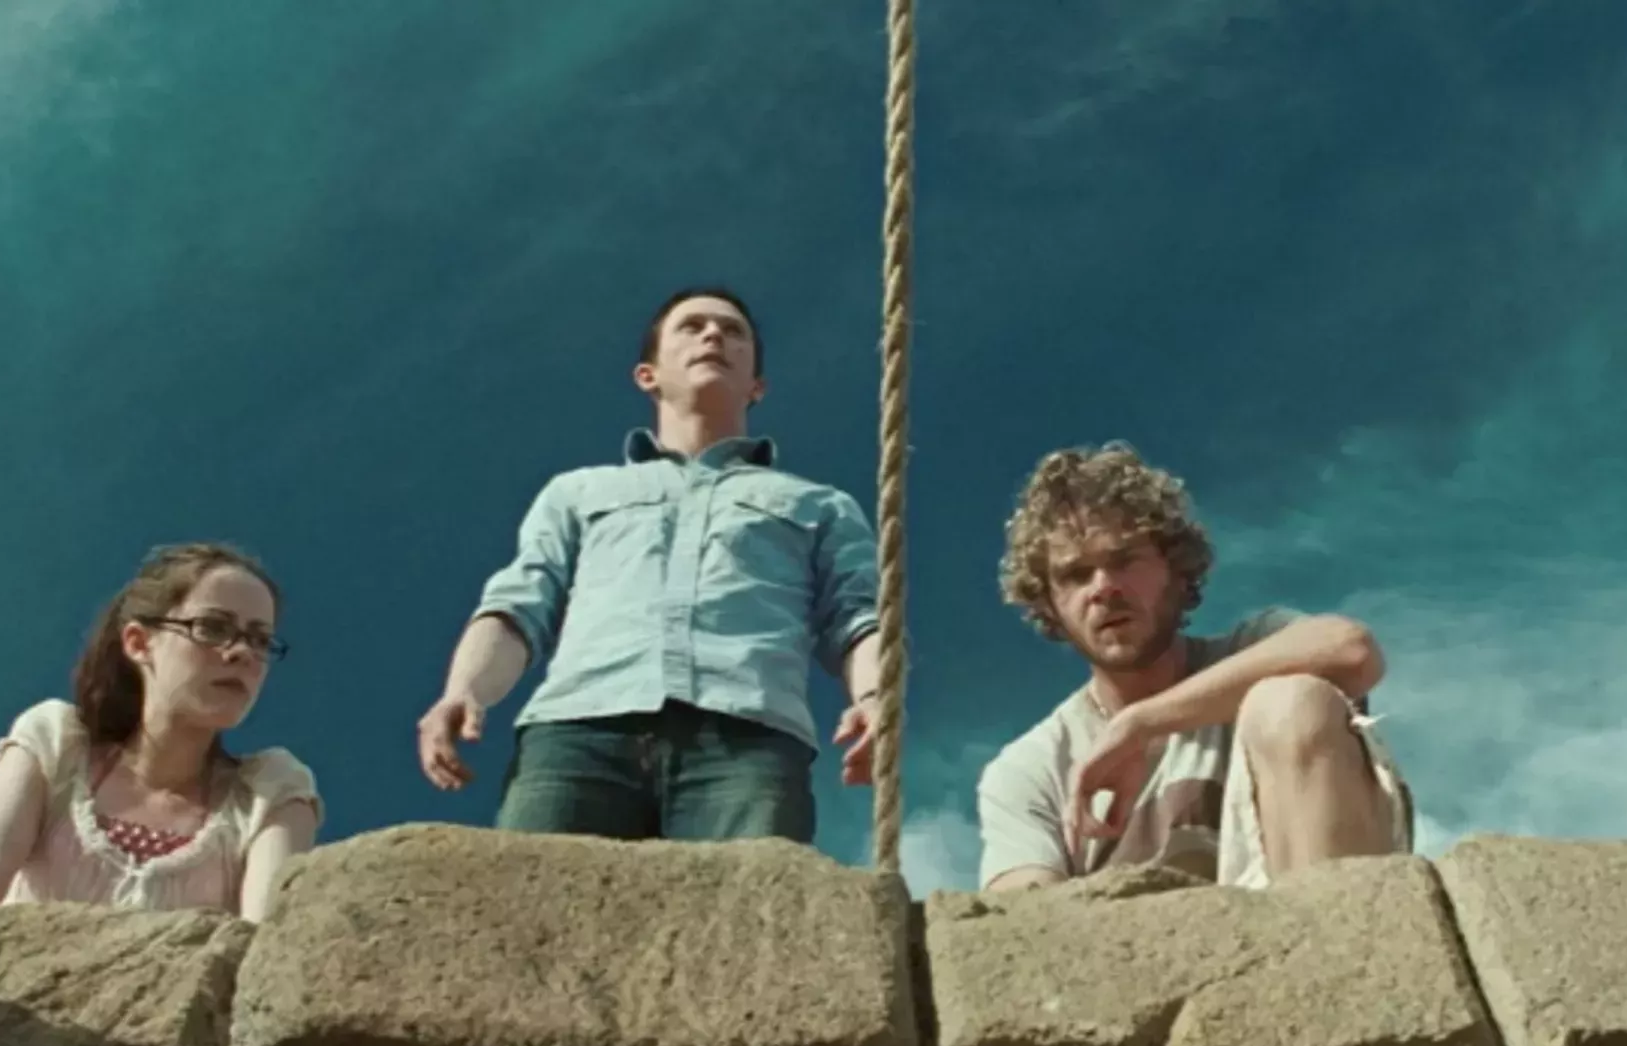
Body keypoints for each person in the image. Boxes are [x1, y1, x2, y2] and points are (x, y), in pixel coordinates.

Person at [415, 287, 882, 844]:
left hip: (748, 743)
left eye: (733, 331)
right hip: (576, 736)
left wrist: (874, 699)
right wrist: (463, 691)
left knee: (747, 900)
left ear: (756, 386)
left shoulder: (821, 505)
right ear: (647, 375)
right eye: (693, 326)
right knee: (533, 896)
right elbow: (521, 602)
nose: (714, 335)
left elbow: (857, 617)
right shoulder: (578, 492)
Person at [976, 442, 1412, 892]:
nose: (1103, 588)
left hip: (1324, 906)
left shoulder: (1253, 649)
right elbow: (1021, 903)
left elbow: (1351, 650)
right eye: (1076, 575)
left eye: (1125, 560)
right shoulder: (1033, 767)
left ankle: (1331, 926)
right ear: (1050, 606)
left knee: (1290, 701)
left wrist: (1142, 723)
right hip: (1149, 937)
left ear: (1177, 570)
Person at [0, 542, 322, 923]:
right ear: (139, 643)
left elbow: (268, 936)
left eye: (260, 640)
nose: (243, 652)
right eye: (213, 627)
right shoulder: (58, 743)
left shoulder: (268, 792)